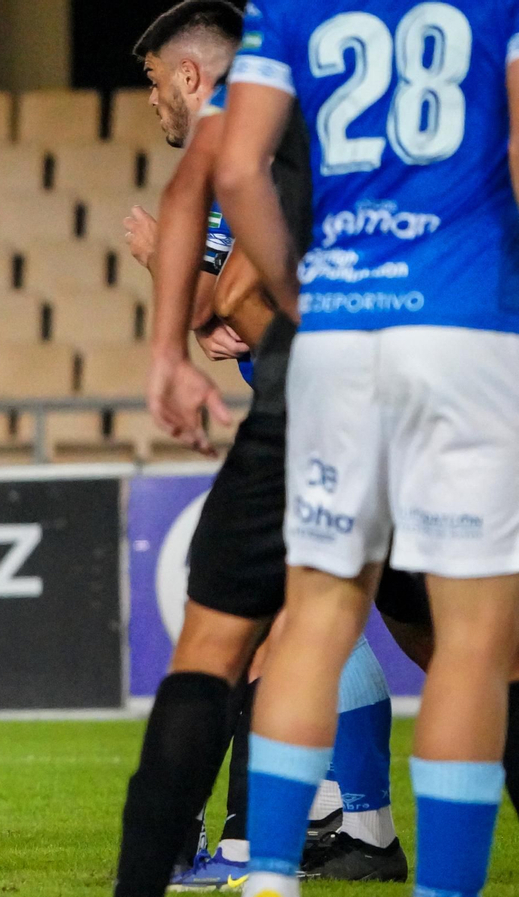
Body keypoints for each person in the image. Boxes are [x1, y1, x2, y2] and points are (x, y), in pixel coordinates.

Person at [212, 0, 519, 893]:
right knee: (471, 638)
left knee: (314, 614)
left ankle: (269, 876)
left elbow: (238, 169)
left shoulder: (289, 7)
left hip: (341, 333)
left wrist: (307, 298)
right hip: (464, 321)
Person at [116, 3, 408, 892]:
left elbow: (229, 282)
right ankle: (355, 823)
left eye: (157, 81)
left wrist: (199, 297)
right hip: (442, 375)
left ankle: (245, 856)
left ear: (193, 75)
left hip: (321, 402)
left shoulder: (267, 95)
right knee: (457, 643)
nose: (157, 99)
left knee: (236, 638)